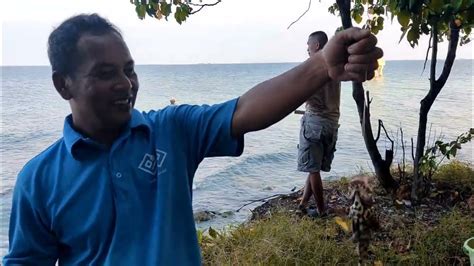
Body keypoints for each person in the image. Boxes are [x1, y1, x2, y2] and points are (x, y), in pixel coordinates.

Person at [3, 14, 382, 265]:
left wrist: (320, 66)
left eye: (129, 70)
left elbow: (245, 110)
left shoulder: (171, 130)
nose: (124, 83)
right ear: (62, 84)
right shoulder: (38, 180)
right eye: (105, 73)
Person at [297, 31, 342, 217]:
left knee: (313, 169)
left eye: (308, 44)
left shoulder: (312, 65)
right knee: (313, 167)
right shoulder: (334, 65)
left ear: (316, 45)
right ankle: (303, 203)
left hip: (315, 123)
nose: (306, 48)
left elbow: (303, 92)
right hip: (332, 123)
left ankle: (322, 210)